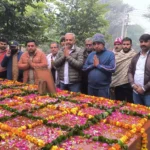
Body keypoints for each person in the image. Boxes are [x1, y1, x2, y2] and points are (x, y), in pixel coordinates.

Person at [83, 33, 116, 98]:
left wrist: (98, 65)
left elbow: (113, 68)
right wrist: (93, 65)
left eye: (98, 43)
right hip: (90, 87)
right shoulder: (91, 55)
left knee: (103, 106)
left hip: (103, 88)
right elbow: (84, 68)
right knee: (91, 105)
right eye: (94, 44)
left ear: (103, 44)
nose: (96, 46)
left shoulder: (110, 54)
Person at [111, 37, 136, 102]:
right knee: (118, 103)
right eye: (124, 44)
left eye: (127, 44)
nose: (125, 46)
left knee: (130, 104)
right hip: (118, 83)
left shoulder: (134, 55)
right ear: (122, 45)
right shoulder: (117, 55)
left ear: (131, 45)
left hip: (129, 84)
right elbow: (113, 68)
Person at [128, 34, 150, 106]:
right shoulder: (136, 57)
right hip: (136, 92)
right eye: (141, 42)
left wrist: (144, 88)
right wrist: (133, 84)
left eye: (146, 41)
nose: (143, 44)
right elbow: (130, 71)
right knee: (137, 114)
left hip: (148, 93)